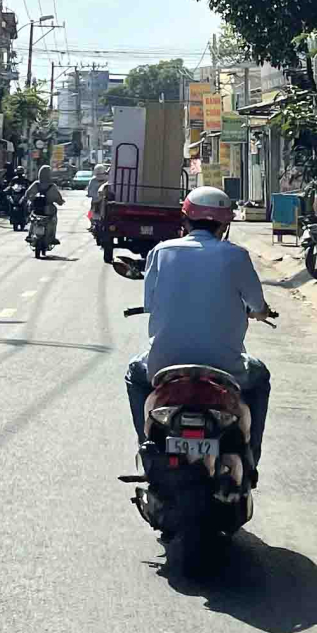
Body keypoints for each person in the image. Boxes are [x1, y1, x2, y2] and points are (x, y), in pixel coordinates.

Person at [126, 184, 274, 470]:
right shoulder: (236, 256)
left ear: (185, 220)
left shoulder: (161, 252)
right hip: (227, 368)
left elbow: (149, 303)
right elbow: (257, 305)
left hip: (164, 365)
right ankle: (251, 456)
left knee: (135, 374)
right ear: (224, 225)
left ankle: (146, 446)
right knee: (260, 378)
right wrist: (260, 312)